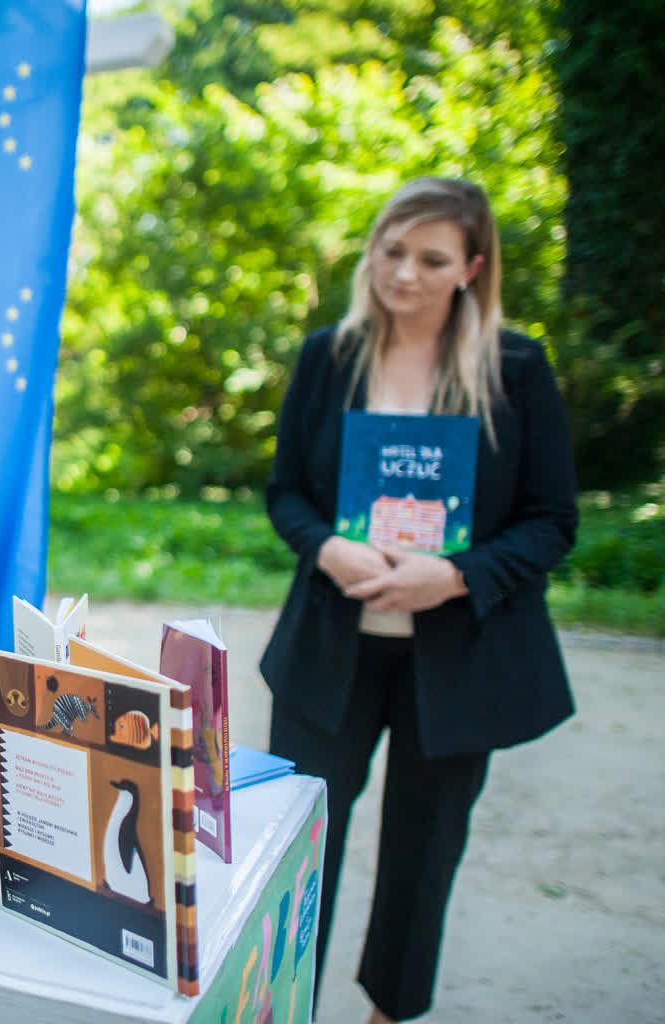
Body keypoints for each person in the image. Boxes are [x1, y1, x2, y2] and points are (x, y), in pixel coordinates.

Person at [259, 177, 578, 1023]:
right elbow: (284, 491)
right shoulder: (330, 355)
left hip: (457, 660)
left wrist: (459, 575)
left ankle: (388, 1013)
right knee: (294, 845)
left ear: (470, 267)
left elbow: (552, 521)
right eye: (389, 250)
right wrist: (325, 546)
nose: (401, 273)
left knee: (422, 854)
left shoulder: (515, 367)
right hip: (330, 652)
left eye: (429, 258)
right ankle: (276, 1004)